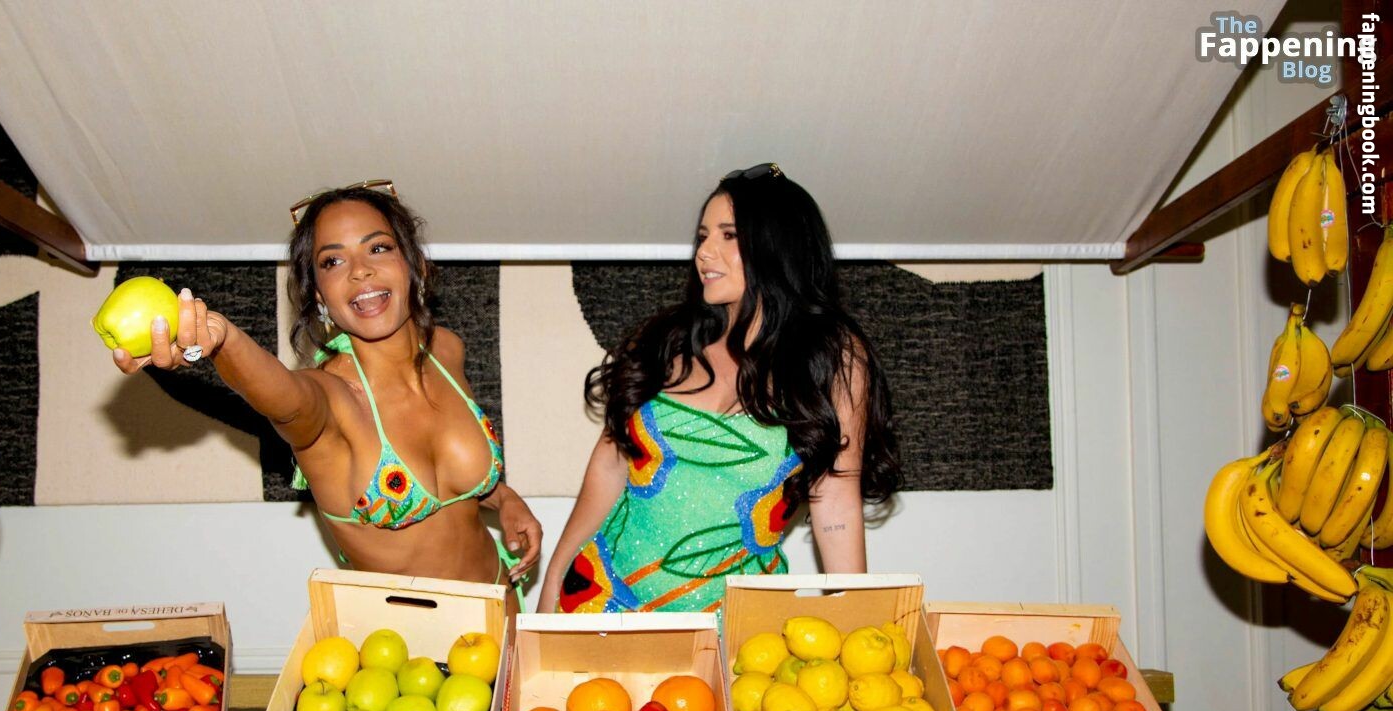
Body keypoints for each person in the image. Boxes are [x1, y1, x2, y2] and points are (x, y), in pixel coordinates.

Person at [111, 181, 542, 606]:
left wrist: (504, 498)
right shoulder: (330, 397)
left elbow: (454, 486)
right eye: (333, 261)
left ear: (415, 265)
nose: (359, 270)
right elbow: (283, 398)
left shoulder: (446, 350)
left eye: (378, 248)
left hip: (504, 606)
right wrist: (224, 340)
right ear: (319, 294)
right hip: (407, 644)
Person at [538, 163, 901, 615]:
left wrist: (857, 617)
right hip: (601, 603)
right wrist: (554, 579)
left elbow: (836, 499)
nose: (704, 253)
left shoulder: (832, 359)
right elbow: (611, 464)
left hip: (733, 629)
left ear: (777, 245)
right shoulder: (666, 342)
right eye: (703, 237)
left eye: (728, 236)